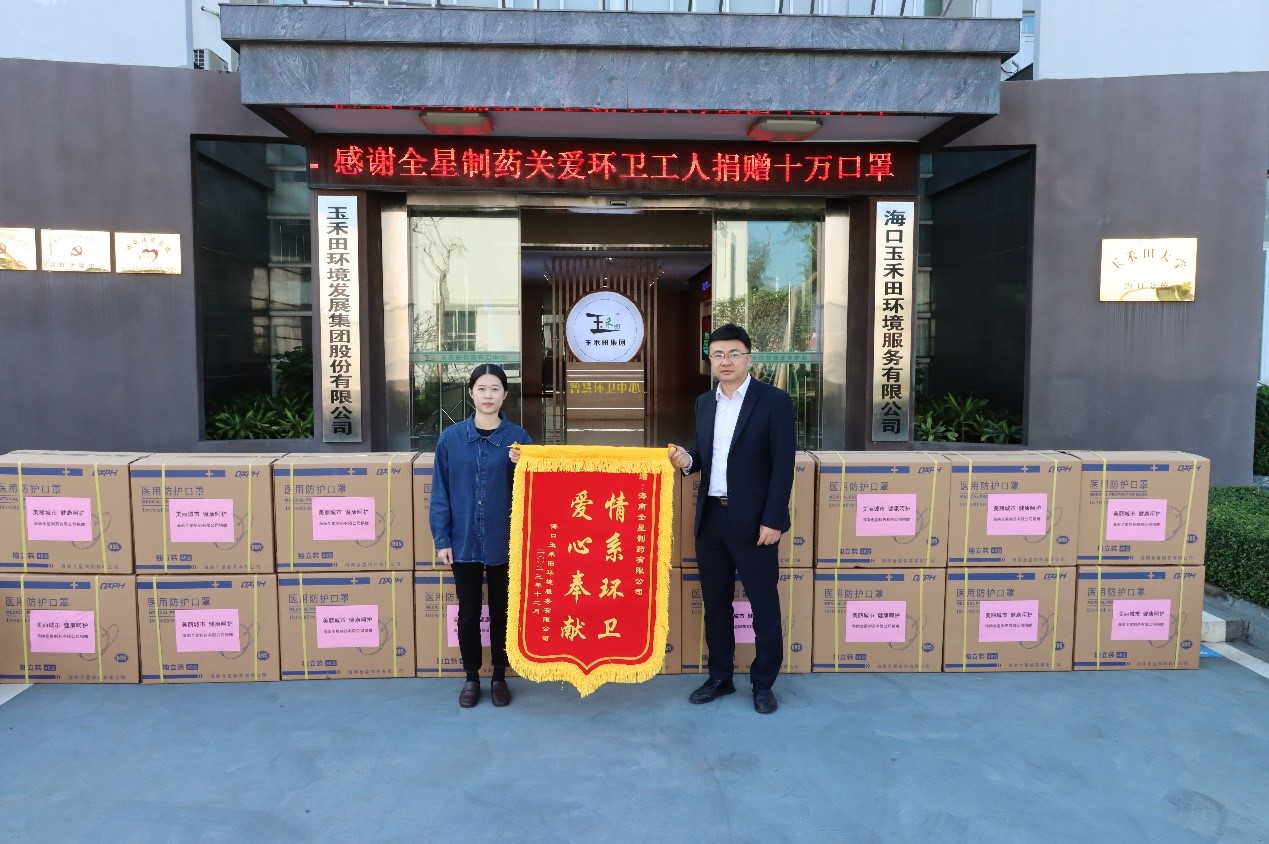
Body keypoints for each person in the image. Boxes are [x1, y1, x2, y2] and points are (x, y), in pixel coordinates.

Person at [668, 323, 795, 715]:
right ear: (711, 360)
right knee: (716, 604)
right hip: (712, 520)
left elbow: (783, 466)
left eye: (734, 354)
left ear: (748, 358)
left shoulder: (773, 401)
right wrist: (686, 460)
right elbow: (703, 454)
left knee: (763, 605)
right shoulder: (705, 402)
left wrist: (773, 519)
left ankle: (763, 683)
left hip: (756, 524)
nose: (726, 361)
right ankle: (720, 677)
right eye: (718, 354)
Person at [430, 363, 531, 708]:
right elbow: (440, 492)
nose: (488, 395)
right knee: (469, 612)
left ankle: (499, 676)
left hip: (506, 540)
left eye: (495, 389)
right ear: (471, 392)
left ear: (505, 394)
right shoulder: (450, 438)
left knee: (503, 611)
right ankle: (471, 677)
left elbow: (533, 492)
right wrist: (442, 539)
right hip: (463, 539)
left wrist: (522, 465)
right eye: (482, 389)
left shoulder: (519, 440)